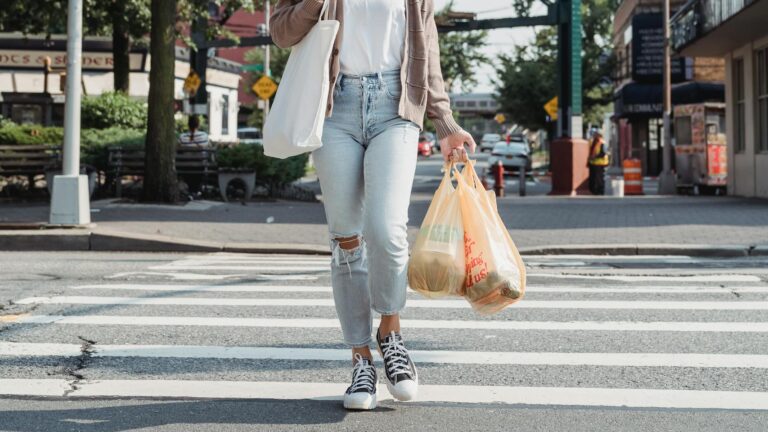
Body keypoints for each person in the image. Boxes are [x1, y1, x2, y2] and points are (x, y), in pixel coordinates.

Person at [271, 0, 477, 411]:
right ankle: (360, 360)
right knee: (346, 235)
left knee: (386, 229)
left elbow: (426, 48)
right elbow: (281, 33)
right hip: (333, 109)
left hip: (396, 108)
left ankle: (391, 331)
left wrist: (445, 121)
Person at [588, 130, 609, 195]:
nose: (594, 135)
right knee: (594, 178)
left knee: (599, 179)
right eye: (594, 134)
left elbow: (603, 153)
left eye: (595, 134)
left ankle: (600, 191)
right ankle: (594, 191)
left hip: (600, 164)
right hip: (593, 163)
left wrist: (594, 157)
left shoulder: (602, 142)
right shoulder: (593, 142)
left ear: (599, 135)